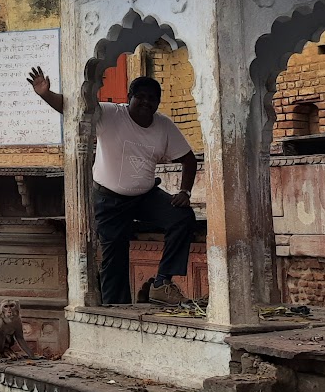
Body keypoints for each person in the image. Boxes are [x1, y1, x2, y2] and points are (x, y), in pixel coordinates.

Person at [27, 66, 199, 306]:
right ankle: (116, 309)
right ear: (130, 98)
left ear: (158, 103)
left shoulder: (164, 125)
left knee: (182, 217)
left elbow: (189, 160)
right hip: (110, 199)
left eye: (152, 98)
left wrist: (185, 191)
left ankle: (161, 283)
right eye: (141, 97)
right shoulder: (110, 114)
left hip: (145, 196)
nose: (146, 102)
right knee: (114, 257)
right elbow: (73, 109)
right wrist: (46, 94)